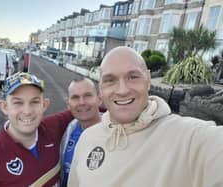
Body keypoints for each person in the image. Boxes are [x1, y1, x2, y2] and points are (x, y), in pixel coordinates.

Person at [68, 46, 223, 187]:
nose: (122, 90)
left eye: (133, 77)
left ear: (148, 80)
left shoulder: (189, 137)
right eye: (110, 80)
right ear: (101, 88)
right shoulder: (87, 139)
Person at [0, 72, 73, 187]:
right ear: (4, 107)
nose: (27, 111)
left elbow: (81, 109)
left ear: (44, 105)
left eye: (35, 102)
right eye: (18, 103)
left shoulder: (52, 127)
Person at [60, 77, 102, 187]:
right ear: (68, 104)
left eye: (87, 95)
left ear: (99, 99)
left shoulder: (116, 132)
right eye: (75, 97)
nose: (82, 102)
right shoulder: (68, 132)